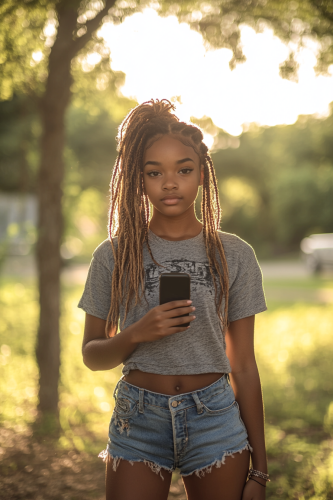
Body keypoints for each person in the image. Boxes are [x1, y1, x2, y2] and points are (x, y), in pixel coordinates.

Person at [78, 99, 269, 500]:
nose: (170, 183)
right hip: (139, 418)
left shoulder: (233, 254)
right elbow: (93, 355)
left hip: (214, 416)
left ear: (201, 175)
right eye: (154, 172)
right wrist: (136, 333)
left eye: (184, 169)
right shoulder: (114, 254)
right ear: (138, 179)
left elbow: (244, 365)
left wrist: (260, 471)